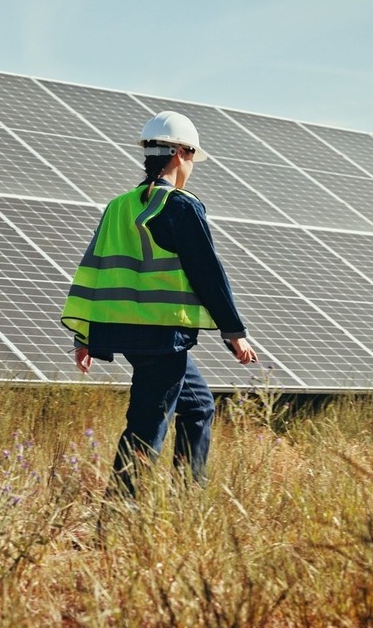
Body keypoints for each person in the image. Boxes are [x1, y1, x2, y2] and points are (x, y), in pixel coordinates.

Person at [61, 111, 258, 497]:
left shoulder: (119, 206)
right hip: (163, 336)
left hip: (128, 333)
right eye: (191, 158)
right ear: (181, 153)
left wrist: (83, 334)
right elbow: (208, 273)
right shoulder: (181, 206)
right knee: (148, 425)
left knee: (199, 406)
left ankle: (187, 497)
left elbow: (91, 270)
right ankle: (116, 518)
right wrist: (234, 332)